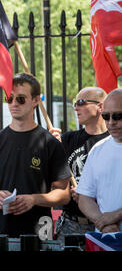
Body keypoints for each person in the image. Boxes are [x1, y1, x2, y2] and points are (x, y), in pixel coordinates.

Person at [0, 73, 71, 238]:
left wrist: (34, 199)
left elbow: (64, 194)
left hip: (40, 231)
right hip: (3, 231)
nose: (13, 104)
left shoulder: (50, 143)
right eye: (9, 98)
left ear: (35, 100)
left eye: (20, 99)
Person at [49, 87, 109, 241]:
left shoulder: (114, 142)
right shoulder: (67, 140)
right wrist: (51, 147)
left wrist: (89, 196)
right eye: (75, 103)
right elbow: (52, 181)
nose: (76, 107)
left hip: (108, 224)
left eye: (81, 102)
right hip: (72, 224)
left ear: (100, 107)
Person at [77, 88, 122, 233]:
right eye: (106, 116)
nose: (111, 122)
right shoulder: (98, 149)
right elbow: (84, 198)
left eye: (117, 116)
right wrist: (103, 222)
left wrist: (116, 215)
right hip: (106, 240)